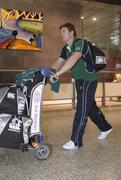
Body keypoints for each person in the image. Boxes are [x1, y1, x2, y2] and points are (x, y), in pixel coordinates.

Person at [50, 22, 112, 150]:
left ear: (72, 33)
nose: (61, 34)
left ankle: (75, 141)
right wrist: (48, 72)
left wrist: (58, 73)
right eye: (61, 31)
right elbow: (58, 62)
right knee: (89, 107)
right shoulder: (65, 48)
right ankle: (106, 127)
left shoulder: (80, 43)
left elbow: (74, 58)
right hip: (79, 80)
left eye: (64, 31)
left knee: (82, 108)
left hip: (88, 79)